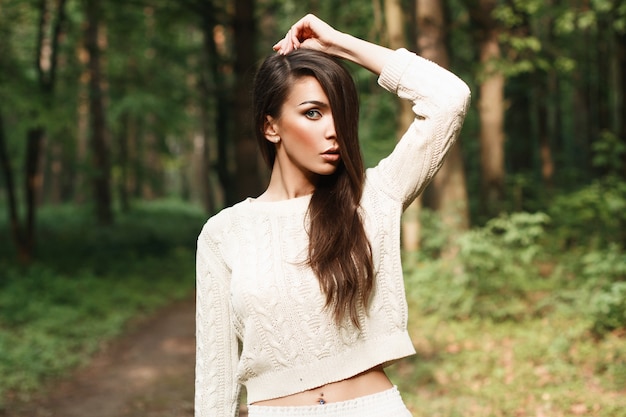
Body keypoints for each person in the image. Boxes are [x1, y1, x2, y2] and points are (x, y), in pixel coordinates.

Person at [195, 13, 470, 417]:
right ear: (271, 127)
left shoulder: (373, 198)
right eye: (312, 113)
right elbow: (215, 377)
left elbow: (449, 100)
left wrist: (340, 44)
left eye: (340, 114)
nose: (334, 131)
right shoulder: (224, 233)